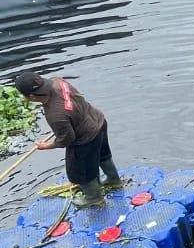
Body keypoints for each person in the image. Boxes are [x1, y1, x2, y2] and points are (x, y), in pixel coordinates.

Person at [15, 72, 119, 207]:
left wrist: (46, 146)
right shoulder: (57, 81)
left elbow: (67, 139)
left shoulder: (55, 115)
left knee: (81, 171)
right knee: (102, 155)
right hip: (97, 120)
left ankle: (94, 198)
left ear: (32, 96)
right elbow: (76, 100)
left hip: (86, 138)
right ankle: (114, 180)